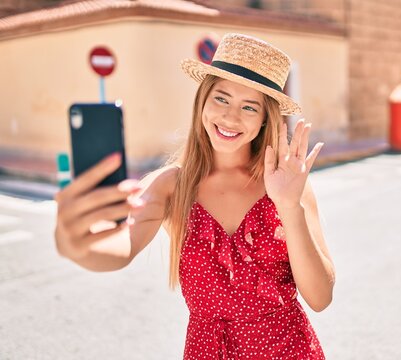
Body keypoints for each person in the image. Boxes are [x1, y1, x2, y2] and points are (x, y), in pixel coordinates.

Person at [54, 33, 335, 359]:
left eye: (249, 107)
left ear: (263, 120)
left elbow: (320, 298)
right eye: (221, 98)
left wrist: (290, 207)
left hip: (289, 350)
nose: (230, 117)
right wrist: (74, 243)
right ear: (202, 101)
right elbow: (119, 249)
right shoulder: (173, 185)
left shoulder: (289, 185)